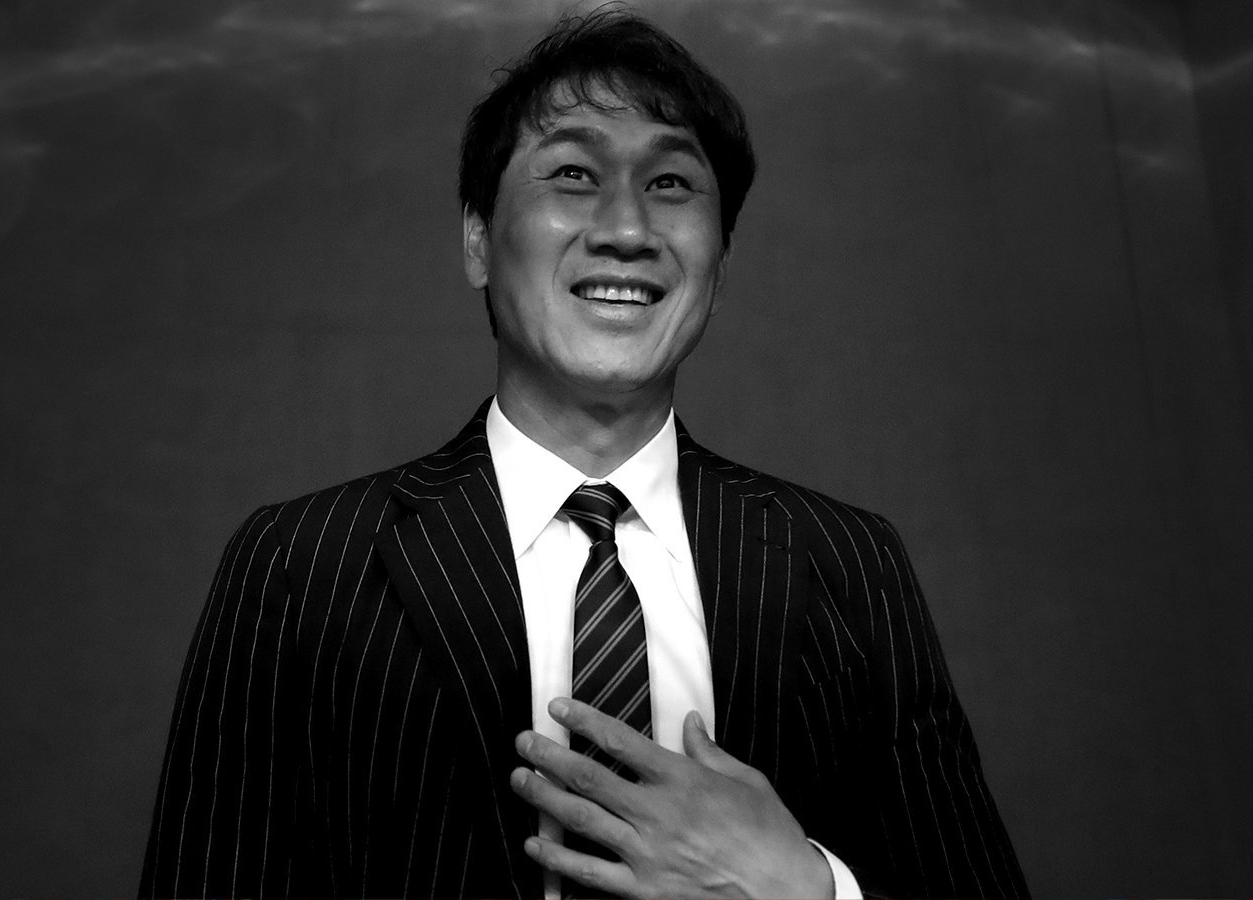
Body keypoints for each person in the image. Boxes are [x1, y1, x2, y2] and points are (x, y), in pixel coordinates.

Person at [140, 8, 1028, 899]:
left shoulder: (850, 565)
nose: (627, 229)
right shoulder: (300, 568)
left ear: (721, 265)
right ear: (478, 239)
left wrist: (806, 887)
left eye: (672, 183)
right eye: (573, 173)